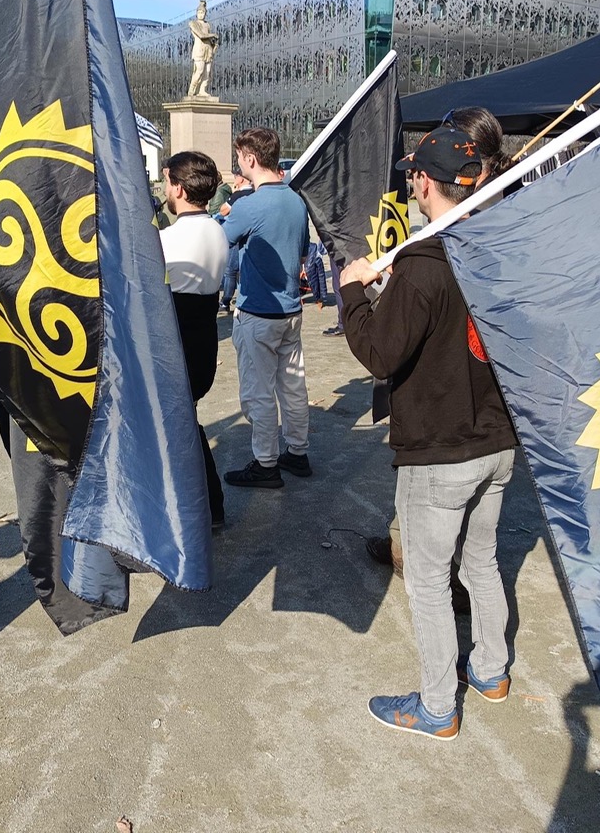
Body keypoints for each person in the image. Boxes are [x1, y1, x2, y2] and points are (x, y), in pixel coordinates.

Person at [340, 126, 518, 741]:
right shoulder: (495, 246)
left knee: (428, 582)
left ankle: (439, 706)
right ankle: (491, 672)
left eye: (412, 174)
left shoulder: (424, 261)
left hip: (440, 451)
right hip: (495, 441)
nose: (408, 182)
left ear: (423, 181)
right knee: (483, 561)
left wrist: (351, 295)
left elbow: (381, 354)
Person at [222, 127, 313, 487]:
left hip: (259, 312)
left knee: (258, 392)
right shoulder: (295, 200)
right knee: (292, 387)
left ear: (250, 159)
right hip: (290, 311)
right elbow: (303, 250)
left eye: (239, 156)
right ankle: (298, 452)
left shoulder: (250, 205)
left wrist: (227, 211)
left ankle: (265, 463)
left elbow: (219, 241)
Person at [160, 150, 230, 531]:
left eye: (167, 182)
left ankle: (201, 509)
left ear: (179, 187)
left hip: (176, 349)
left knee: (176, 432)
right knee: (185, 425)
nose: (165, 190)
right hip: (203, 343)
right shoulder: (217, 230)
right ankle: (211, 506)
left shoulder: (169, 239)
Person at [216, 167, 252, 313]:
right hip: (251, 234)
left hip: (236, 234)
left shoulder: (238, 195)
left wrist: (235, 191)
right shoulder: (255, 192)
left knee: (231, 270)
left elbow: (223, 210)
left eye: (236, 176)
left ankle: (226, 301)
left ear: (241, 178)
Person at [187, 0, 219, 98]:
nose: (201, 14)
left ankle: (202, 90)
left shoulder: (207, 25)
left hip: (208, 51)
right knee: (199, 70)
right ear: (196, 13)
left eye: (203, 12)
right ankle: (192, 90)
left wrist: (214, 44)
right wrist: (213, 35)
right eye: (199, 12)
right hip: (199, 50)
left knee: (208, 73)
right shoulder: (193, 23)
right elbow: (201, 35)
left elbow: (209, 39)